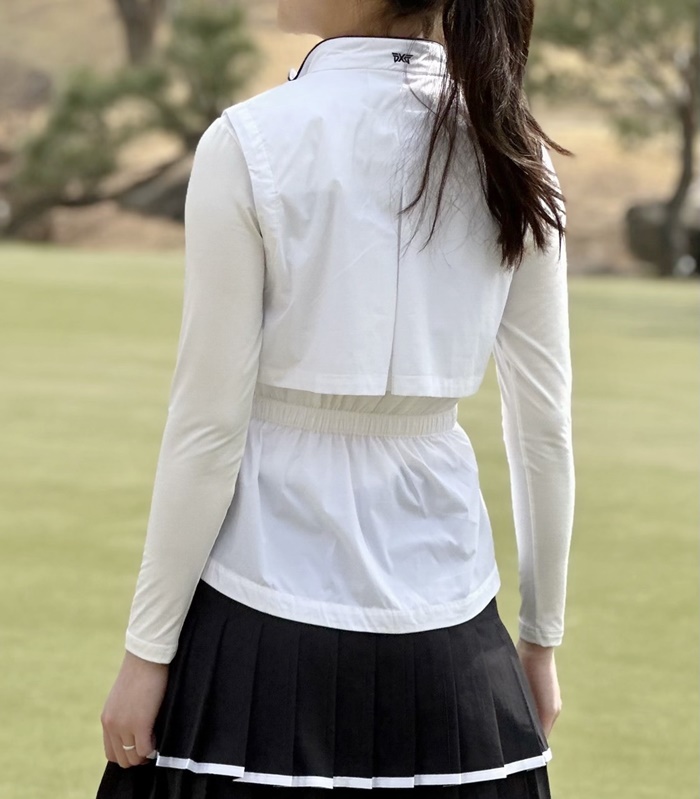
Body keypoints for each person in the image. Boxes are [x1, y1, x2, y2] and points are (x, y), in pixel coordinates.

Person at [96, 1, 576, 798]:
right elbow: (545, 430)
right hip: (455, 626)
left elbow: (207, 430)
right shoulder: (513, 149)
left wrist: (148, 653)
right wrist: (540, 640)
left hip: (258, 602)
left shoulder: (248, 142)